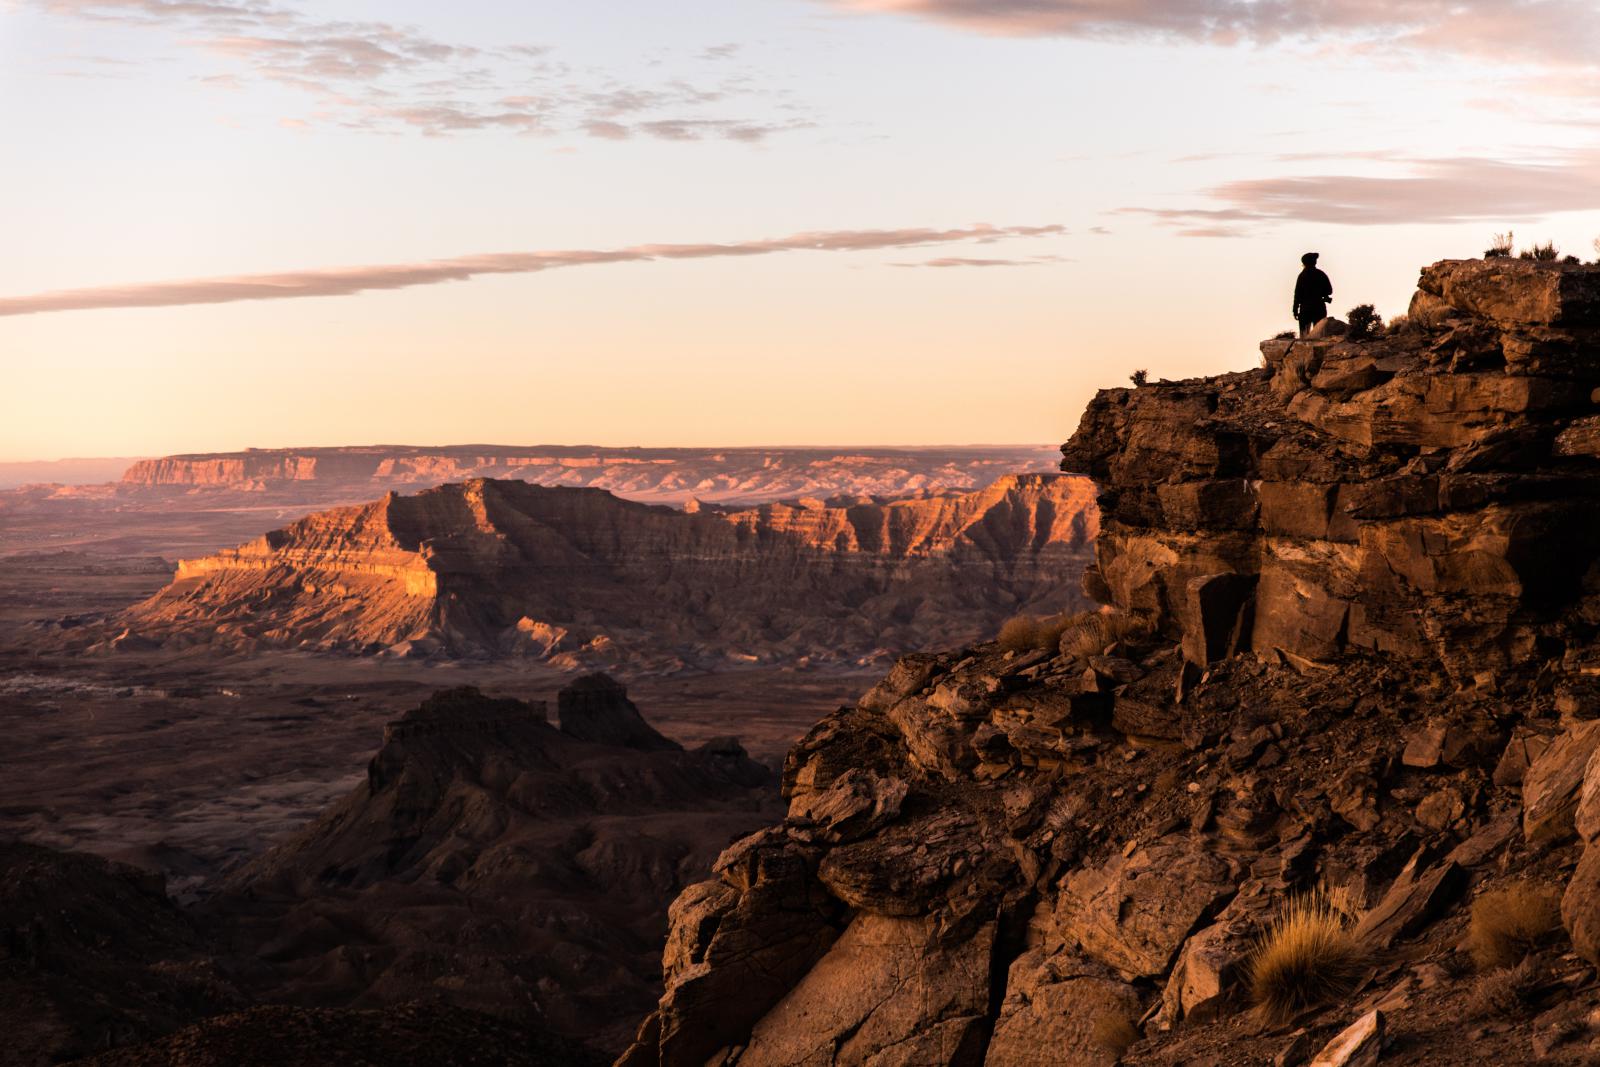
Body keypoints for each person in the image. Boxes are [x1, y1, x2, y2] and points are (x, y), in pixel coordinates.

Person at [1293, 252, 1333, 337]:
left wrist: (1295, 310)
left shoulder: (1302, 276)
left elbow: (1297, 295)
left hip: (1305, 309)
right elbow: (1329, 291)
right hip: (1319, 307)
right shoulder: (1320, 274)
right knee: (1319, 335)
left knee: (1304, 336)